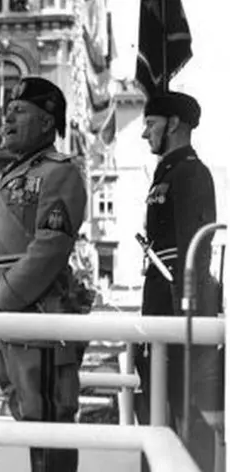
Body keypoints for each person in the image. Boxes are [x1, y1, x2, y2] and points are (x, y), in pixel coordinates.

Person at [0, 76, 90, 472]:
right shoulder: (3, 179)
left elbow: (50, 248)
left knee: (50, 419)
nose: (7, 121)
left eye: (18, 112)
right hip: (3, 318)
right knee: (24, 416)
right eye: (6, 113)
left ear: (47, 123)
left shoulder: (61, 172)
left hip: (37, 314)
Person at [136, 91, 223, 471]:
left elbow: (195, 254)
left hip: (177, 315)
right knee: (156, 409)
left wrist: (182, 321)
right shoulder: (168, 172)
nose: (145, 133)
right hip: (159, 310)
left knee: (186, 417)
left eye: (151, 124)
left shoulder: (192, 173)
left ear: (173, 124)